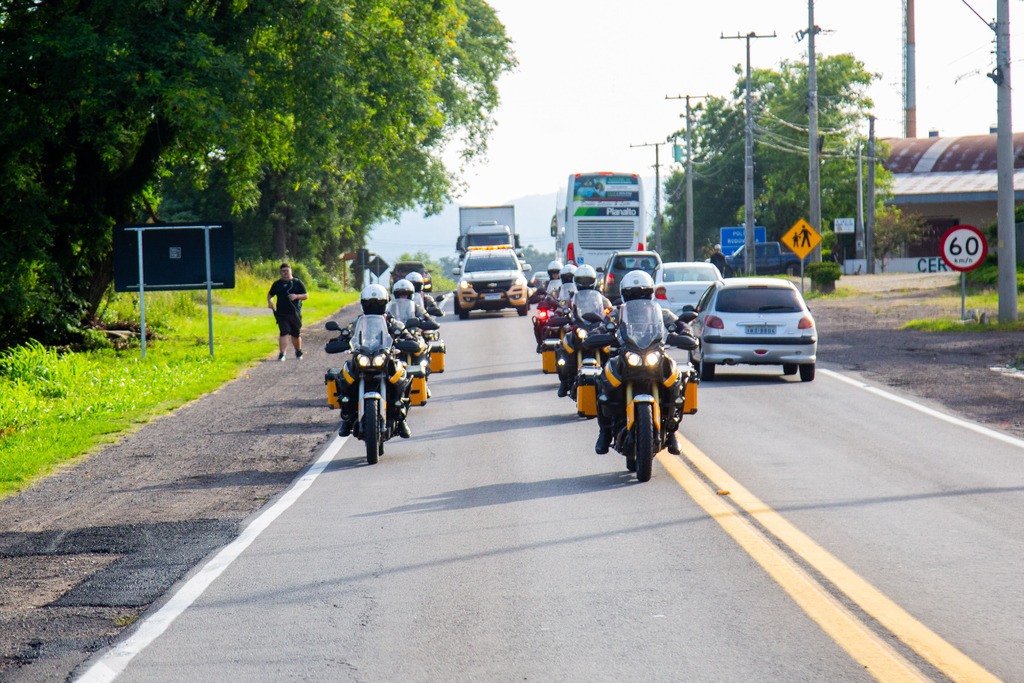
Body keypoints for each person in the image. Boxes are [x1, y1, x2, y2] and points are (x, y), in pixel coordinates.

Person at [593, 270, 697, 456]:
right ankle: (605, 431)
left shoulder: (661, 312)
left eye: (641, 293)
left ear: (650, 293)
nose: (637, 297)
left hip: (654, 353)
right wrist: (598, 334)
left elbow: (679, 323)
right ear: (625, 294)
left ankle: (672, 431)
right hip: (626, 355)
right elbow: (602, 326)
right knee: (602, 378)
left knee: (676, 376)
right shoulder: (617, 313)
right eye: (633, 294)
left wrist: (685, 331)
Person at [334, 284, 415, 439]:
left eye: (377, 303)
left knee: (401, 375)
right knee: (344, 376)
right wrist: (340, 339)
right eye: (370, 303)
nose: (373, 306)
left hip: (385, 357)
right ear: (363, 304)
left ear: (384, 303)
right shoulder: (357, 322)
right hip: (362, 356)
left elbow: (404, 333)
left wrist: (408, 339)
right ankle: (347, 417)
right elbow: (345, 333)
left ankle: (401, 417)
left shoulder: (391, 321)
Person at [267, 263, 309, 361]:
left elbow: (306, 295)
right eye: (283, 271)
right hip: (281, 313)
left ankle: (298, 351)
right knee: (284, 332)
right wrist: (270, 302)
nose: (285, 273)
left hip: (295, 313)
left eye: (287, 271)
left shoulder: (297, 283)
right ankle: (282, 354)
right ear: (281, 272)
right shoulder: (277, 284)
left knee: (295, 334)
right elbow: (270, 294)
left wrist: (296, 296)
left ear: (291, 271)